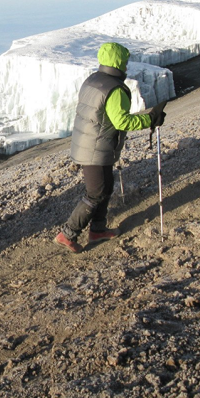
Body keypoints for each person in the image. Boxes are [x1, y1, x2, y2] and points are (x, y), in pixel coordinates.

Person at [55, 42, 166, 253]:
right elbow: (121, 122)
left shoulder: (93, 80)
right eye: (124, 63)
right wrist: (150, 119)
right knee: (96, 192)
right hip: (96, 147)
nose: (126, 67)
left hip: (90, 143)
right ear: (118, 63)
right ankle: (67, 234)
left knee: (105, 187)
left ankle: (97, 230)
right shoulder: (115, 89)